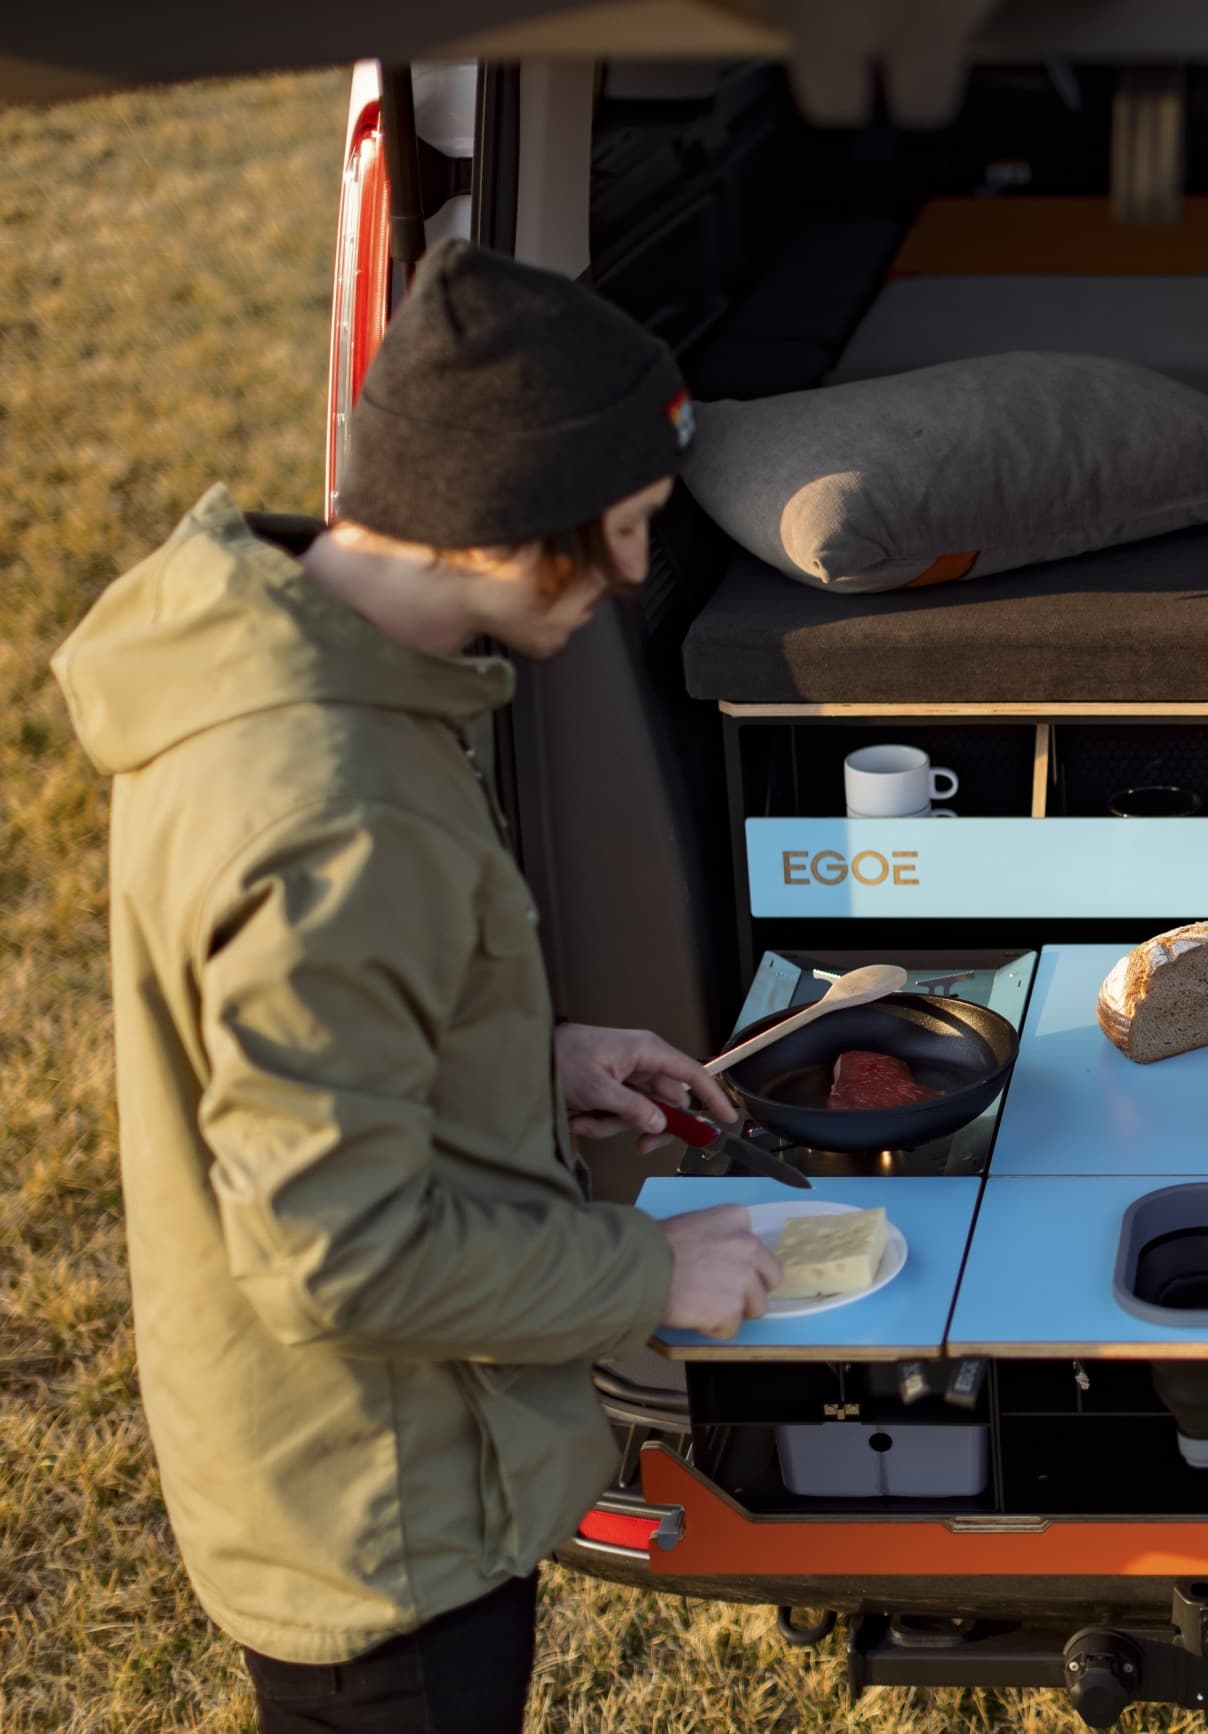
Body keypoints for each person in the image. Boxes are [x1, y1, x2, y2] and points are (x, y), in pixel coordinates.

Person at [51, 239, 783, 1732]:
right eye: (623, 530)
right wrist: (649, 1273)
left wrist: (528, 1054)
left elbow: (303, 1040)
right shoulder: (335, 808)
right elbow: (341, 1257)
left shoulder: (289, 671)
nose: (631, 576)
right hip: (380, 1515)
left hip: (338, 1458)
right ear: (508, 522)